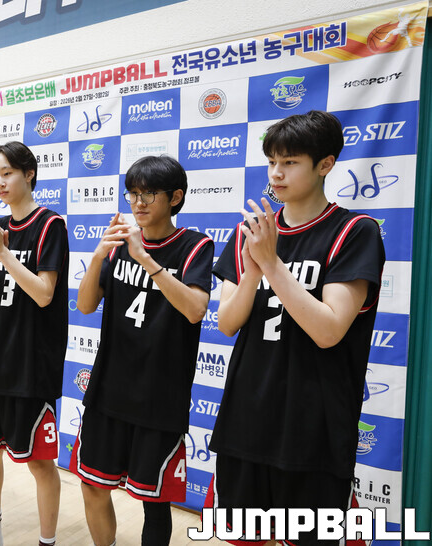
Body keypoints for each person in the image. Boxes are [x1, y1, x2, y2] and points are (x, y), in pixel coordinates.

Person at [208, 110, 385, 544]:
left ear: (325, 164)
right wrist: (253, 271)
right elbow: (227, 323)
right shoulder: (251, 232)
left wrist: (271, 264)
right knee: (247, 537)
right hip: (246, 419)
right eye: (272, 161)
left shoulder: (355, 231)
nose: (276, 173)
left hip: (313, 429)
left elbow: (329, 330)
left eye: (290, 162)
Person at [71, 155, 213, 546]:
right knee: (92, 485)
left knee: (154, 500)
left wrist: (145, 259)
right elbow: (85, 305)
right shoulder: (118, 245)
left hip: (159, 397)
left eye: (148, 194)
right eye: (132, 193)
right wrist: (98, 254)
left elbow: (195, 309)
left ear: (175, 197)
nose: (138, 202)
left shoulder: (195, 245)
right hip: (108, 390)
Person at [0, 141, 68, 546]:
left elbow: (44, 293)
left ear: (29, 174)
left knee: (39, 463)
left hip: (30, 363)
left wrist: (3, 253)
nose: (0, 183)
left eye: (7, 173)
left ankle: (47, 541)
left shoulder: (50, 225)